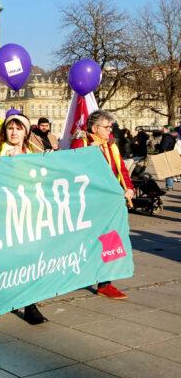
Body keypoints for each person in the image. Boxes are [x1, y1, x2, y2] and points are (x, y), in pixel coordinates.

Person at [0, 113, 49, 325]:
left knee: (31, 258)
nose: (13, 133)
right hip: (6, 213)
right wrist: (7, 163)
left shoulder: (33, 151)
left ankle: (30, 304)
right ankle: (5, 297)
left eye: (18, 128)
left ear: (26, 132)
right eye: (10, 128)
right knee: (10, 259)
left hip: (30, 212)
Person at [71, 110, 133, 300]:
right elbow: (75, 170)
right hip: (90, 201)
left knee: (111, 240)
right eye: (107, 127)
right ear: (94, 128)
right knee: (87, 241)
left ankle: (106, 283)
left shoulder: (111, 145)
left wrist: (129, 187)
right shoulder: (82, 143)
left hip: (111, 201)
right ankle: (76, 273)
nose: (110, 131)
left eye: (111, 127)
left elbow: (121, 167)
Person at [159, 126, 177, 190]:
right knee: (168, 171)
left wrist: (158, 146)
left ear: (168, 130)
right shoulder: (170, 136)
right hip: (169, 154)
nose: (162, 129)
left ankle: (169, 185)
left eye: (163, 129)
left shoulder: (167, 137)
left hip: (166, 154)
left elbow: (164, 147)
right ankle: (169, 185)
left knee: (167, 171)